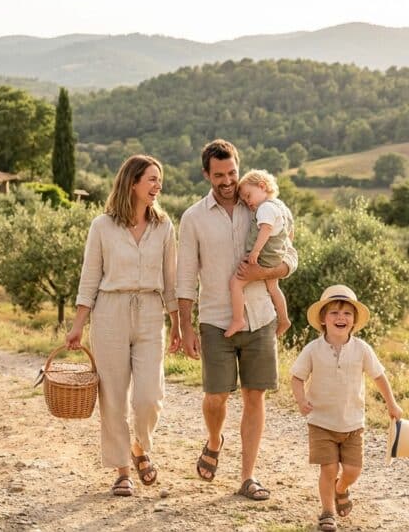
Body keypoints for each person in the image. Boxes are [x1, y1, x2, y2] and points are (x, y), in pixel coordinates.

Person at [175, 139, 297, 501]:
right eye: (219, 175)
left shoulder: (259, 206)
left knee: (254, 396)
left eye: (232, 172)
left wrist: (261, 273)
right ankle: (214, 440)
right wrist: (185, 326)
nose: (228, 181)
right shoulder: (193, 217)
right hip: (214, 319)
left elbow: (291, 259)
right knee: (216, 397)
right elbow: (184, 277)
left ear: (239, 169)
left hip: (260, 319)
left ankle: (248, 476)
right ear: (206, 175)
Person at [65, 154, 182, 497]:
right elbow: (90, 278)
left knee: (150, 397)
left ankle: (140, 447)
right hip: (110, 313)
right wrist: (77, 325)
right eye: (151, 179)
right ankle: (121, 471)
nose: (158, 186)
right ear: (132, 183)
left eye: (159, 179)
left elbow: (171, 281)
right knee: (113, 397)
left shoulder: (164, 227)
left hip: (149, 311)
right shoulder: (102, 226)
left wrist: (177, 324)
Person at [290, 285, 403, 531]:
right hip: (321, 422)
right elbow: (297, 377)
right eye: (334, 313)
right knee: (328, 468)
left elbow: (379, 376)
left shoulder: (362, 349)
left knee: (352, 470)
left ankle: (341, 488)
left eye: (347, 314)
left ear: (354, 321)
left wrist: (392, 404)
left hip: (353, 423)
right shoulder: (312, 349)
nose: (341, 318)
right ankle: (327, 512)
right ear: (323, 318)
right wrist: (301, 400)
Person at [224, 169, 295, 339]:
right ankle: (284, 319)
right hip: (275, 256)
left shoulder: (265, 208)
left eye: (248, 196)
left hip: (263, 257)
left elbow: (266, 229)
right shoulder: (282, 207)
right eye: (244, 199)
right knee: (273, 287)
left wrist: (255, 251)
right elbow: (290, 231)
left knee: (235, 283)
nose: (248, 202)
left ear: (262, 186)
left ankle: (238, 319)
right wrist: (284, 250)